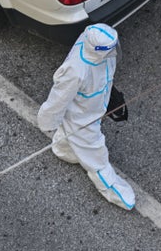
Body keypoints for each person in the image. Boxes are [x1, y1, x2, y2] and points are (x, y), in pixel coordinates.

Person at [37, 24, 135, 210]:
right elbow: (58, 99)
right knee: (96, 157)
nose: (114, 51)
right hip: (82, 120)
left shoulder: (100, 53)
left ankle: (63, 150)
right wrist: (47, 122)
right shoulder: (76, 70)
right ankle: (118, 194)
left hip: (93, 109)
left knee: (69, 140)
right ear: (99, 51)